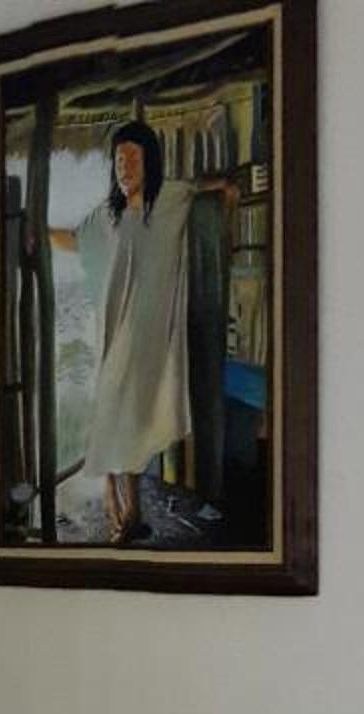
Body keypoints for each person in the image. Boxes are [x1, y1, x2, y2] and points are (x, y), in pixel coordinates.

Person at [57, 118, 224, 544]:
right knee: (112, 416)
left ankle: (126, 512)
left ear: (150, 161)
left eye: (133, 158)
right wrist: (35, 234)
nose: (125, 167)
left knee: (126, 419)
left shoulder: (168, 201)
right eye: (119, 160)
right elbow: (76, 240)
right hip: (113, 332)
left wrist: (228, 191)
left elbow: (207, 190)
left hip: (149, 337)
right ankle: (122, 510)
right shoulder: (107, 216)